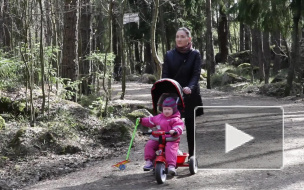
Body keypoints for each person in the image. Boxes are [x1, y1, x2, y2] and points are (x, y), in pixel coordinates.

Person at [162, 27, 203, 159]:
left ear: (189, 39)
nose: (179, 39)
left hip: (190, 94)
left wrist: (190, 87)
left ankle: (192, 154)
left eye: (182, 36)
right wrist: (168, 89)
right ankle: (171, 153)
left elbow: (196, 75)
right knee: (170, 125)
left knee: (190, 126)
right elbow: (165, 75)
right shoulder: (169, 55)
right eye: (177, 36)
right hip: (173, 96)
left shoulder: (195, 54)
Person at [140, 97, 184, 176]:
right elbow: (150, 120)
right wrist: (142, 120)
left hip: (171, 138)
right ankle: (149, 161)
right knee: (149, 144)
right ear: (162, 109)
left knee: (170, 148)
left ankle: (171, 166)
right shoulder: (159, 117)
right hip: (158, 138)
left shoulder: (175, 119)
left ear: (173, 110)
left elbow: (179, 127)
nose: (166, 111)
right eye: (165, 109)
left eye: (169, 109)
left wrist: (175, 131)